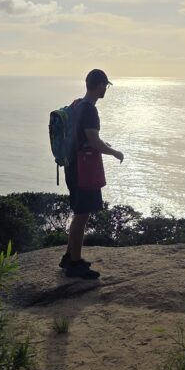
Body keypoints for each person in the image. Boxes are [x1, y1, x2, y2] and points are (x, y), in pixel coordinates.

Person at [61, 68, 124, 279]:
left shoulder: (77, 104)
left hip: (72, 166)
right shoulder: (89, 110)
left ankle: (69, 256)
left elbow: (87, 138)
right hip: (83, 169)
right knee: (82, 215)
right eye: (105, 86)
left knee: (79, 211)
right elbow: (94, 142)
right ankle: (75, 264)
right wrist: (114, 152)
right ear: (100, 86)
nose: (105, 89)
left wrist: (103, 144)